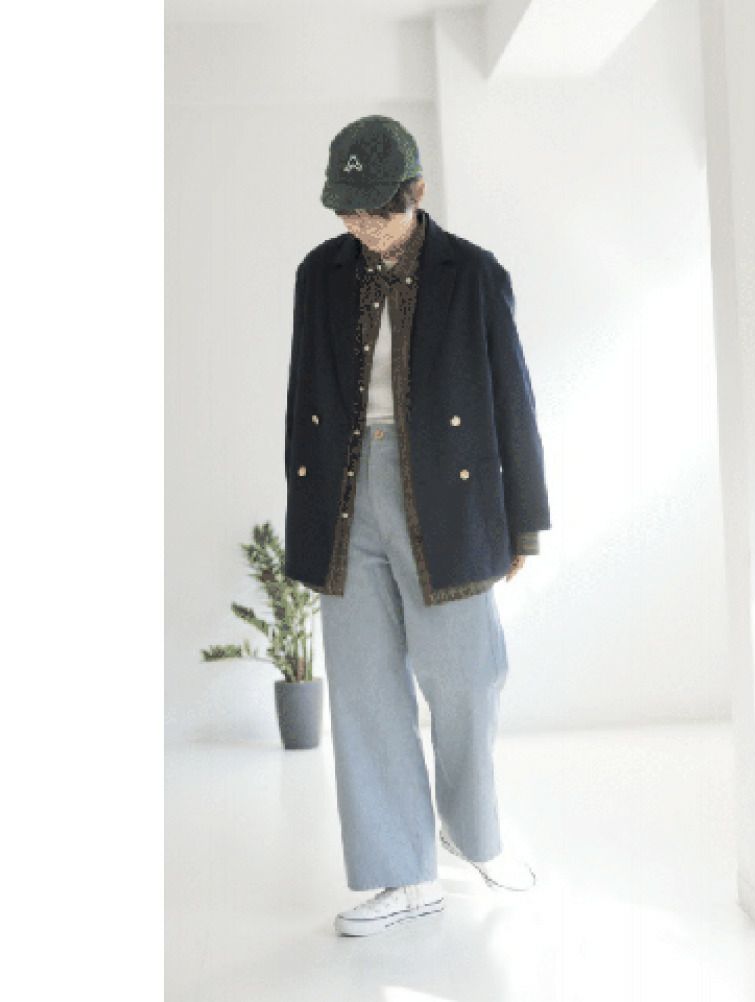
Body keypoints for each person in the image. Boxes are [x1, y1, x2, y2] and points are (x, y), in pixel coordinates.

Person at [283, 115, 551, 937]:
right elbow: (302, 397)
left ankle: (474, 832)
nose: (360, 225)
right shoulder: (318, 274)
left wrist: (522, 523)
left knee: (468, 675)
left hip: (447, 494)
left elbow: (513, 399)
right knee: (364, 693)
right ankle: (401, 875)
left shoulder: (473, 273)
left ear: (417, 193)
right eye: (347, 210)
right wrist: (303, 512)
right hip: (344, 495)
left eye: (375, 210)